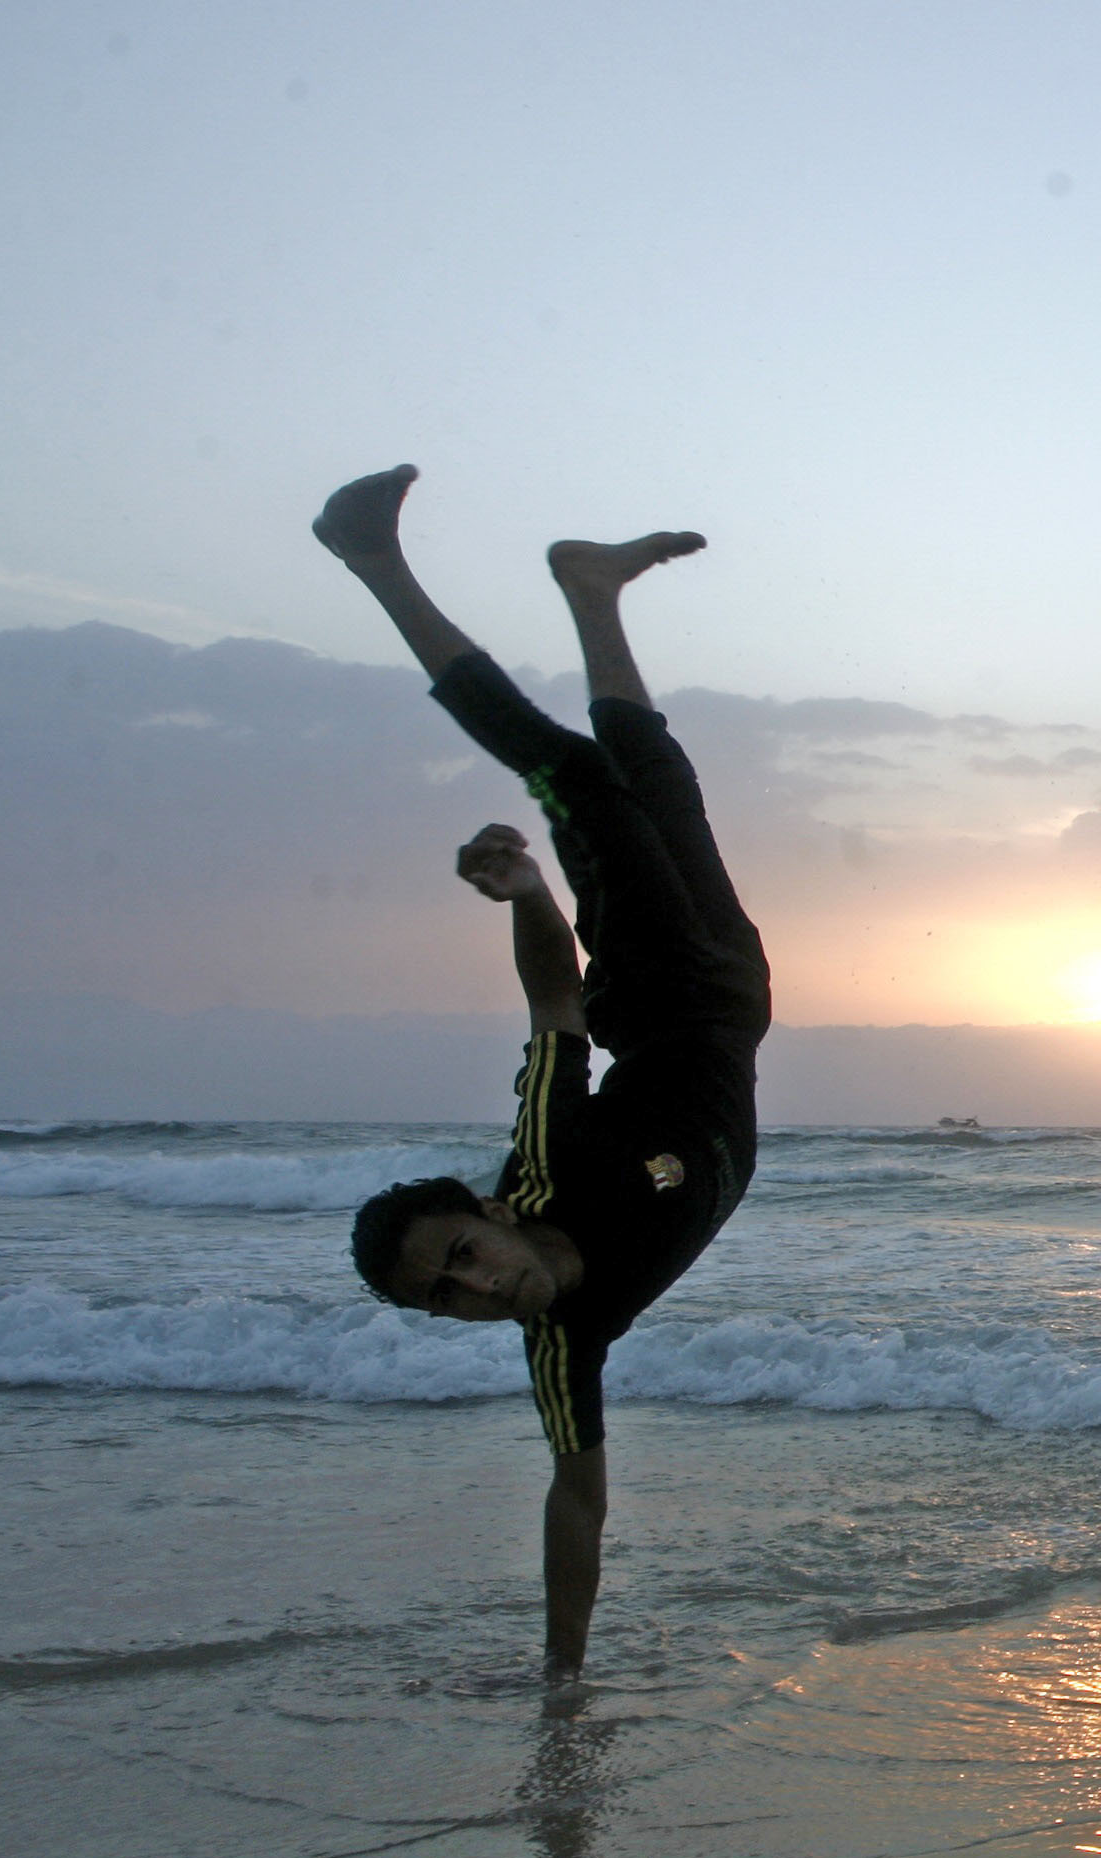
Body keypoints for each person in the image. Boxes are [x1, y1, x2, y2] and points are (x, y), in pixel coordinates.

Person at [313, 465, 770, 1674]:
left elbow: (555, 998)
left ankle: (371, 561)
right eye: (445, 1300)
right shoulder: (563, 1344)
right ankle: (590, 589)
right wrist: (562, 1679)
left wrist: (529, 895)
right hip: (735, 993)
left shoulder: (546, 1156)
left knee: (570, 769)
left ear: (488, 1210)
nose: (477, 1291)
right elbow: (577, 1500)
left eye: (461, 1255)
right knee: (656, 775)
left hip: (662, 985)